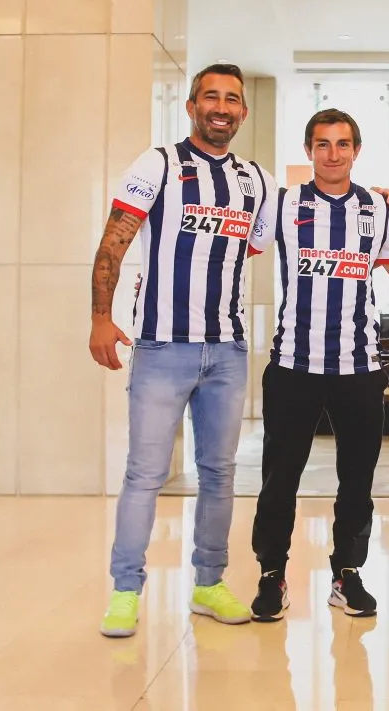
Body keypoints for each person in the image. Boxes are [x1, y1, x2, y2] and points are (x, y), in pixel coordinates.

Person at [90, 63, 276, 637]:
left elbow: (251, 248)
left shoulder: (258, 180)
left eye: (233, 100)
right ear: (193, 105)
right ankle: (125, 591)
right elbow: (114, 241)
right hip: (161, 348)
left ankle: (208, 584)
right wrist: (102, 316)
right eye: (211, 97)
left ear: (243, 112)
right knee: (145, 473)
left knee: (219, 474)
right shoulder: (159, 164)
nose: (222, 107)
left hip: (226, 351)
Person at [246, 109, 389, 621]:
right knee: (280, 479)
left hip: (358, 368)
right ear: (309, 150)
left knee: (356, 480)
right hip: (294, 365)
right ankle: (272, 573)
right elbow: (237, 250)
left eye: (342, 144)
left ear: (356, 150)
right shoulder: (283, 205)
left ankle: (348, 574)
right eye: (323, 145)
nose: (333, 154)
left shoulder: (378, 209)